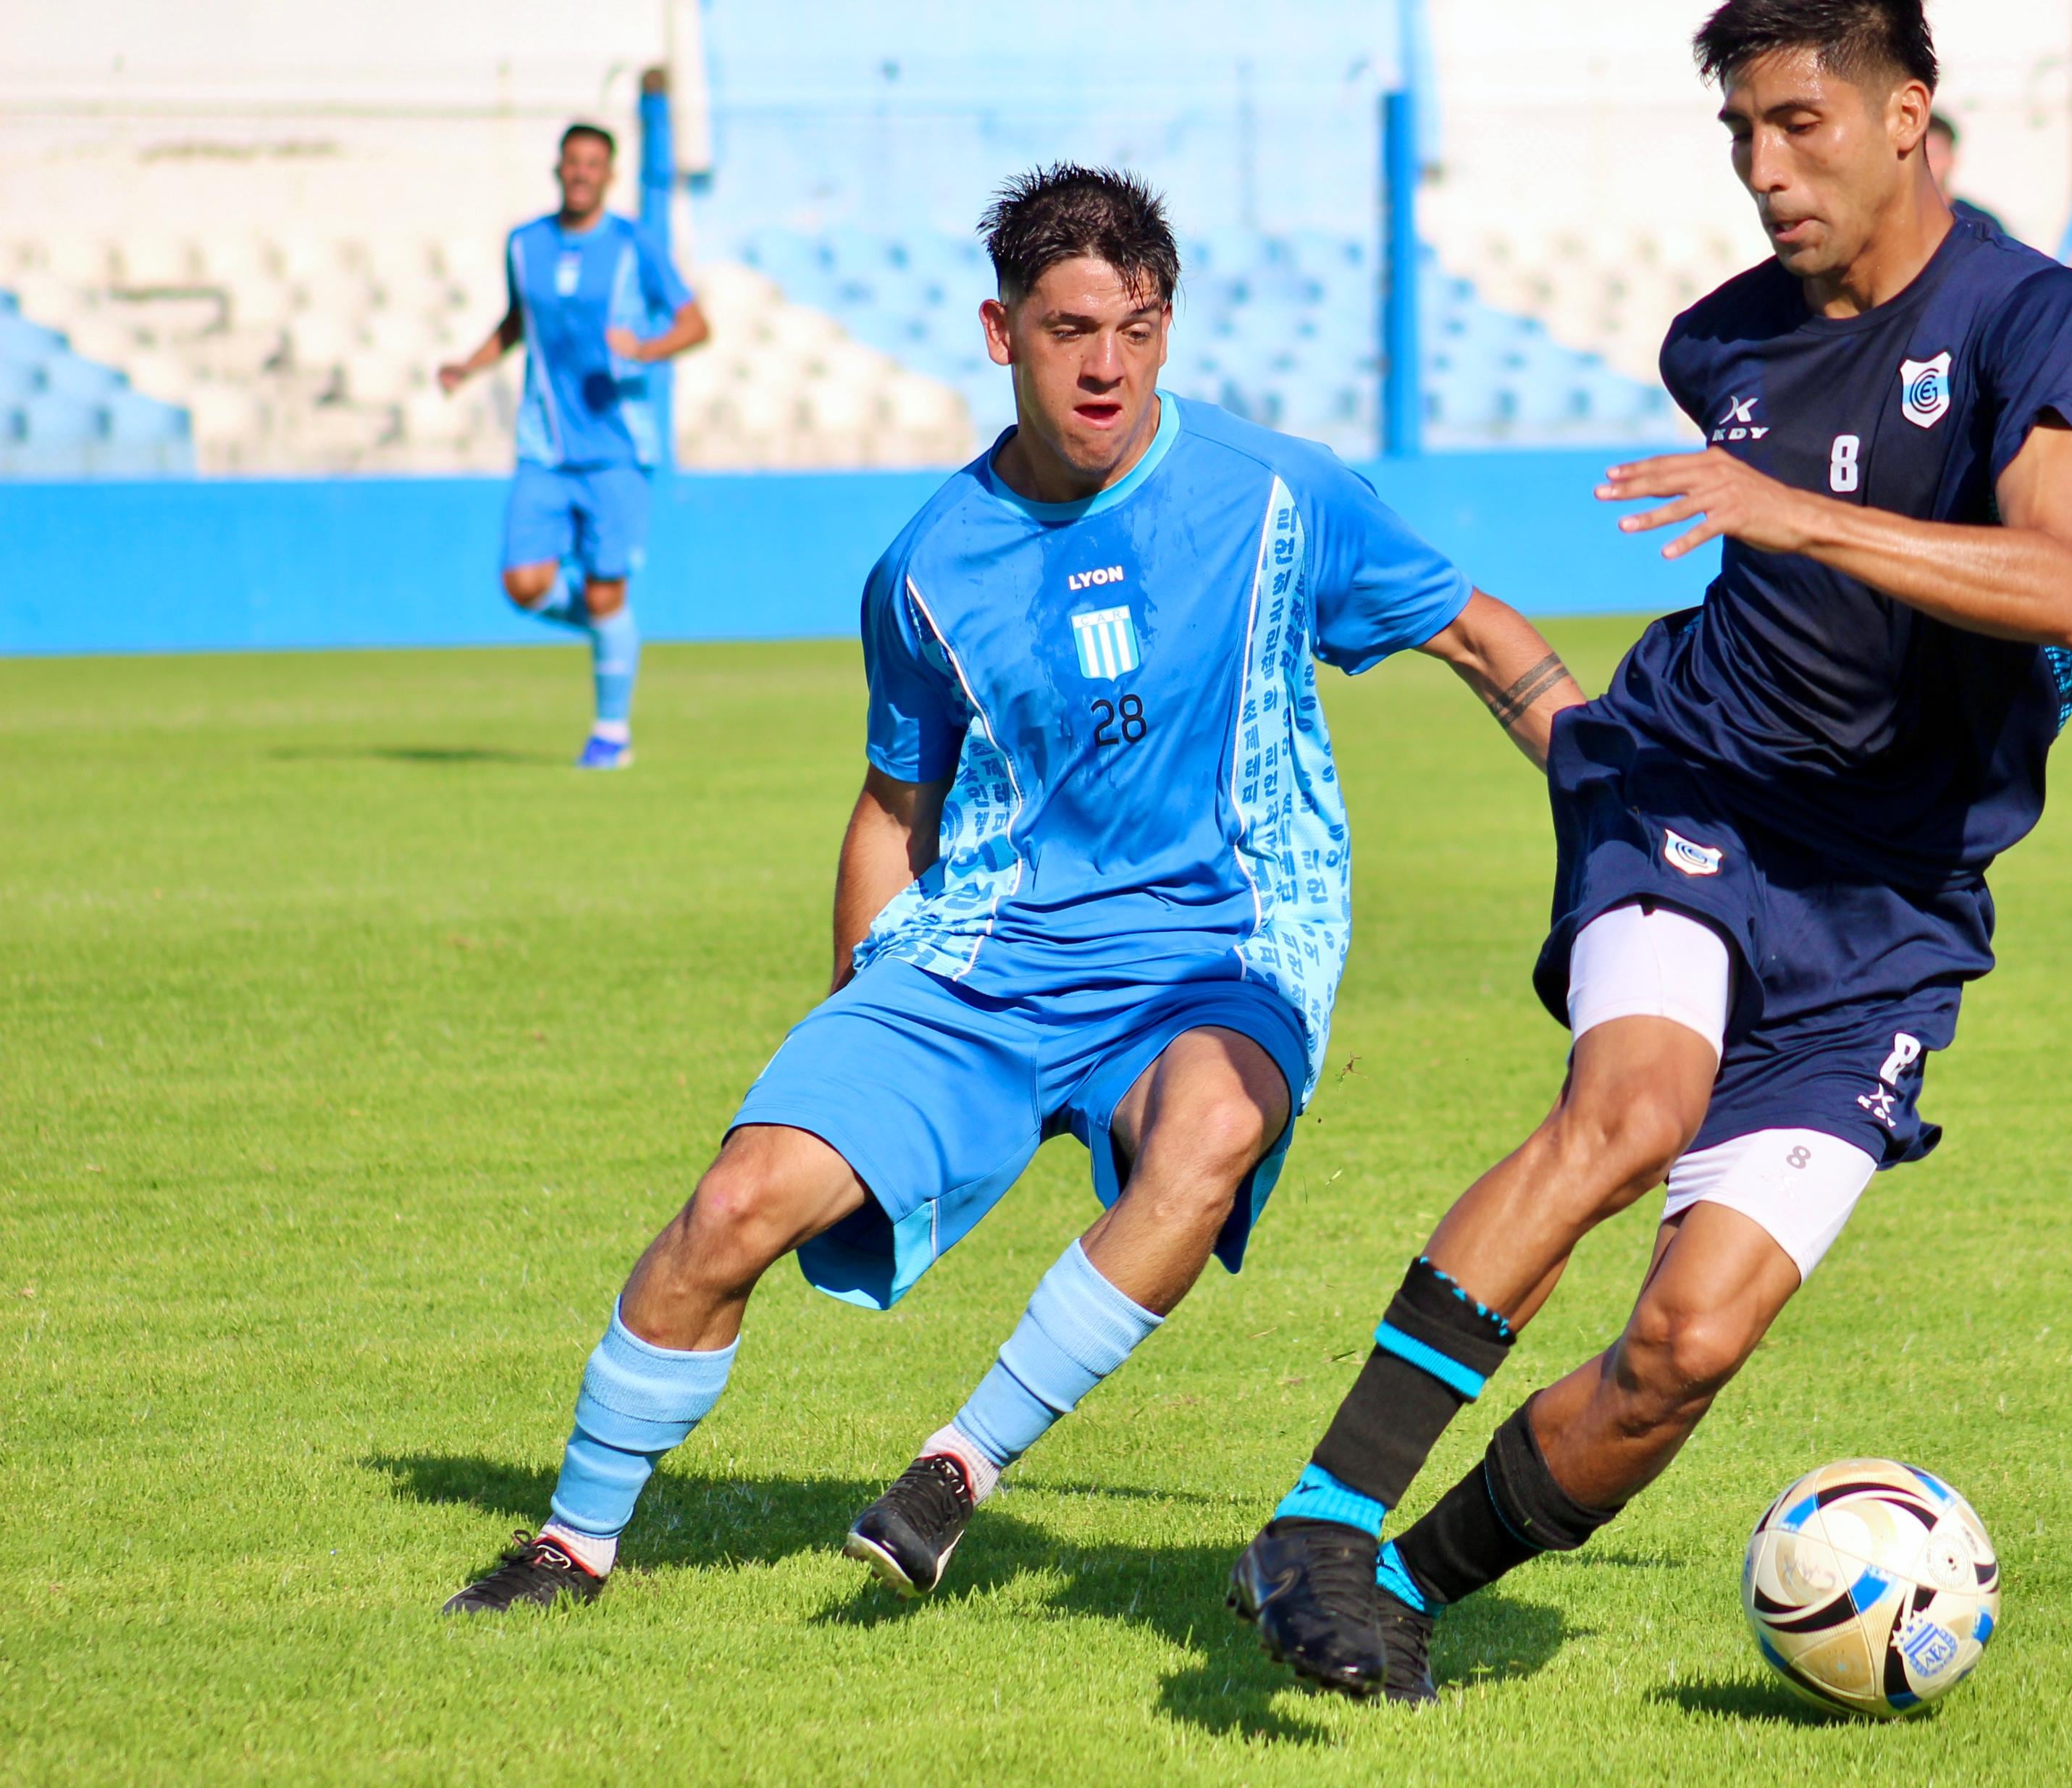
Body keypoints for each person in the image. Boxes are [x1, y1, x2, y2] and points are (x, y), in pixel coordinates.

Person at [1228, 0, 2072, 1705]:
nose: (1765, 168)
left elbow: (2048, 565)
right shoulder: (1717, 343)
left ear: (1906, 113)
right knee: (1630, 1109)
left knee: (1686, 1345)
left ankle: (1389, 1585)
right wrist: (1825, 533)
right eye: (1740, 134)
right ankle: (1324, 1518)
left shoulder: (2034, 318)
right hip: (1694, 791)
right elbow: (1886, 525)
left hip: (1893, 909)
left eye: (1800, 123)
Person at [443, 165, 1583, 1614]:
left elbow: (1484, 640)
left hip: (1216, 954)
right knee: (736, 1202)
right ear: (1001, 333)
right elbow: (893, 806)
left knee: (1209, 1132)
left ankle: (957, 1465)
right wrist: (855, 1010)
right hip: (983, 956)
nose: (1109, 365)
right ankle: (571, 1543)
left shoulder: (1278, 497)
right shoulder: (927, 567)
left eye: (1138, 327)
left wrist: (1627, 800)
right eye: (1070, 329)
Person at [438, 122, 711, 770]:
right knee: (523, 582)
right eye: (573, 161)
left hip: (618, 449)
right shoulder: (525, 244)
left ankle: (611, 735)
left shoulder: (633, 244)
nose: (582, 172)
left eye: (594, 163)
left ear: (609, 175)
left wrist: (645, 349)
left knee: (605, 591)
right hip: (545, 445)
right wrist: (469, 366)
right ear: (558, 169)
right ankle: (612, 631)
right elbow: (517, 321)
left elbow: (696, 324)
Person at [1926, 110, 2009, 240]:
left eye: (1934, 154)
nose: (1926, 162)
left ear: (1951, 159)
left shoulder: (1983, 227)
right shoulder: (1892, 222)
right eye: (1917, 155)